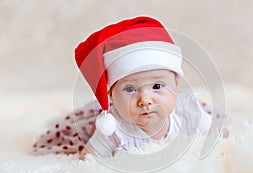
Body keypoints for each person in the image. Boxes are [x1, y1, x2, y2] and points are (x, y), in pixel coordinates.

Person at [32, 16, 228, 160]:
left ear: (176, 86)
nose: (145, 100)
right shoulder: (114, 129)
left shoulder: (188, 113)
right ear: (111, 94)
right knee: (81, 124)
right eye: (130, 89)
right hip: (101, 117)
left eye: (157, 86)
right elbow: (87, 158)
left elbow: (219, 133)